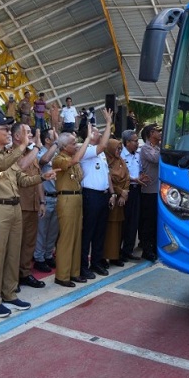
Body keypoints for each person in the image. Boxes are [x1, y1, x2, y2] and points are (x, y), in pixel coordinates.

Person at [0, 114, 56, 317]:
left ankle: (10, 294)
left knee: (13, 254)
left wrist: (42, 177)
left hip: (14, 207)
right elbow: (0, 165)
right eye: (5, 129)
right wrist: (22, 147)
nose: (8, 133)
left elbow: (21, 179)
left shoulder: (8, 154)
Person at [52, 130, 91, 287]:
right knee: (67, 237)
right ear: (63, 146)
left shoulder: (72, 159)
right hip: (66, 198)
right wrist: (88, 139)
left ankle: (74, 272)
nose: (76, 146)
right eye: (73, 143)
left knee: (76, 236)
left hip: (76, 197)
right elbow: (74, 161)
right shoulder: (59, 159)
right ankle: (62, 275)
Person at [79, 108, 115, 278]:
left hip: (103, 195)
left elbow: (107, 174)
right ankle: (83, 266)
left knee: (100, 231)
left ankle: (96, 262)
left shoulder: (100, 154)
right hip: (91, 195)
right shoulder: (85, 149)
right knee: (88, 231)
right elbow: (103, 146)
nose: (98, 133)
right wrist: (108, 123)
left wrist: (112, 193)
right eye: (95, 131)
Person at [14, 124, 47, 290]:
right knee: (16, 244)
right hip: (19, 205)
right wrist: (37, 147)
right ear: (17, 136)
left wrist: (42, 201)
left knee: (29, 243)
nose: (31, 136)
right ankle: (13, 277)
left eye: (31, 133)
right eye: (27, 133)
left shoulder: (32, 153)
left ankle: (25, 273)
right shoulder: (12, 152)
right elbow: (21, 166)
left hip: (33, 204)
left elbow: (38, 178)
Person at [34, 128, 59, 272]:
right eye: (53, 136)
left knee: (53, 231)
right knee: (42, 231)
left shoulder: (56, 153)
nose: (56, 138)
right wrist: (57, 143)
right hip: (46, 197)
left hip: (57, 196)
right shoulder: (41, 153)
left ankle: (49, 255)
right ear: (47, 140)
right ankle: (39, 258)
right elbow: (44, 161)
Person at [120, 129, 147, 262]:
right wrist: (134, 179)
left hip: (137, 189)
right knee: (123, 222)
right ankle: (118, 251)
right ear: (127, 142)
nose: (137, 143)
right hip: (125, 190)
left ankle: (128, 250)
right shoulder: (120, 155)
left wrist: (141, 177)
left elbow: (139, 170)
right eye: (135, 141)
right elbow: (120, 173)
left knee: (133, 222)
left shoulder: (138, 155)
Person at [104, 138, 129, 267]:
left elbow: (127, 178)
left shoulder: (121, 161)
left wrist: (124, 194)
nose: (119, 151)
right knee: (109, 230)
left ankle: (115, 255)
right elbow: (108, 180)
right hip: (111, 198)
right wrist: (119, 191)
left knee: (119, 229)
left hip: (121, 200)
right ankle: (105, 256)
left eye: (120, 149)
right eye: (117, 149)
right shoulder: (106, 161)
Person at [139, 123, 161, 261]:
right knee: (149, 221)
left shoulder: (157, 148)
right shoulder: (145, 149)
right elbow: (156, 159)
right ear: (151, 133)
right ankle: (146, 249)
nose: (160, 134)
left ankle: (154, 247)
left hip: (158, 189)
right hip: (149, 190)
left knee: (156, 221)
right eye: (158, 131)